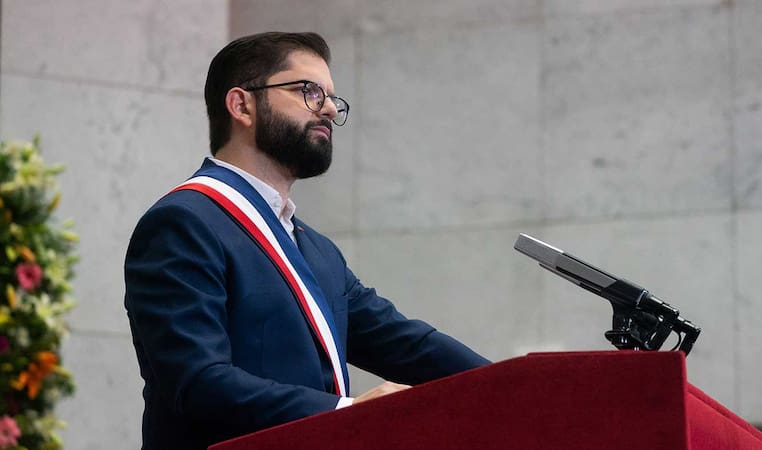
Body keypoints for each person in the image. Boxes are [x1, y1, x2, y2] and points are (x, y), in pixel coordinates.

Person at [124, 31, 490, 450]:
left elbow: (405, 344)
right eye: (309, 92)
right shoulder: (184, 223)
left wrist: (515, 384)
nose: (330, 109)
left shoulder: (316, 250)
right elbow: (198, 382)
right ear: (241, 105)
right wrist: (348, 412)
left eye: (331, 98)